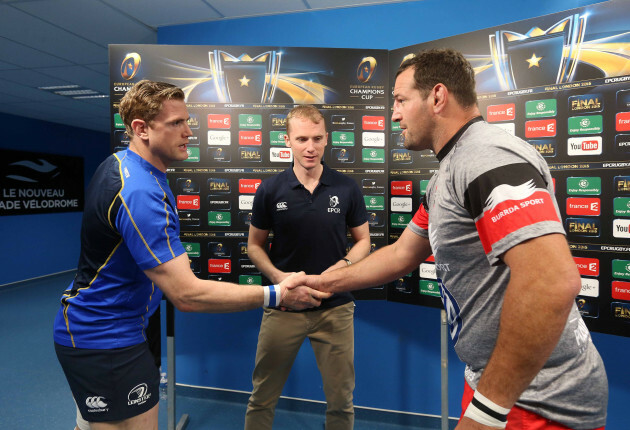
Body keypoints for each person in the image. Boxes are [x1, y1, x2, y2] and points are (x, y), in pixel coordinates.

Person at [284, 49, 608, 430]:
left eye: (401, 100)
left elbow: (552, 282)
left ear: (437, 97)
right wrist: (321, 282)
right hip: (500, 388)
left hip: (536, 403)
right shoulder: (447, 174)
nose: (394, 114)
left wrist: (487, 411)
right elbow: (402, 254)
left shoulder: (485, 156)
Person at [52, 80, 328, 430]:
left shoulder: (123, 165)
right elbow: (186, 294)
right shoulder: (139, 191)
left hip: (108, 329)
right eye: (176, 123)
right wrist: (277, 293)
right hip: (105, 339)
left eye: (187, 121)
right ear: (141, 129)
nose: (189, 131)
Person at [244, 105, 371, 430]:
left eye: (317, 138)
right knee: (262, 397)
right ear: (287, 140)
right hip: (282, 308)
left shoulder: (347, 188)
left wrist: (339, 271)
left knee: (341, 402)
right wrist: (279, 281)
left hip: (336, 310)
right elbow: (254, 246)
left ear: (327, 139)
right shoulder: (270, 189)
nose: (310, 147)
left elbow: (363, 242)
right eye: (302, 139)